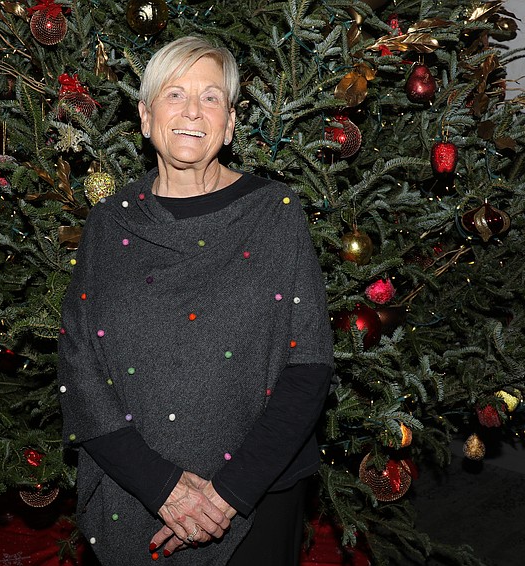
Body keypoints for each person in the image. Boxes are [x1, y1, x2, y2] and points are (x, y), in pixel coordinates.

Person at [58, 36, 334, 565]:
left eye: (211, 97)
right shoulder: (109, 223)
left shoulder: (275, 213)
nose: (192, 111)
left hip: (259, 493)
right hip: (134, 488)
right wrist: (161, 486)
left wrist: (228, 493)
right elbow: (79, 368)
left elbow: (309, 365)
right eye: (174, 94)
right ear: (145, 117)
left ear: (229, 124)